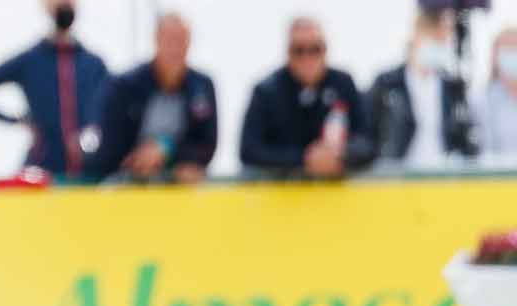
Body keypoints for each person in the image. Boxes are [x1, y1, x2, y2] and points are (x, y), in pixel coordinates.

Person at [0, 0, 111, 178]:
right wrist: (17, 120)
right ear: (45, 5)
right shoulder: (30, 60)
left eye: (68, 0)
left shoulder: (94, 63)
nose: (63, 6)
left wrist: (95, 130)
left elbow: (113, 105)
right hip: (43, 166)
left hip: (87, 168)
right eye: (57, 0)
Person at [87, 12, 217, 182]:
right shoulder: (125, 86)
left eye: (182, 40)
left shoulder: (202, 86)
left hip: (183, 183)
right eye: (170, 40)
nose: (176, 49)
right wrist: (140, 158)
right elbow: (108, 148)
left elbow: (207, 144)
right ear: (156, 41)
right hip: (128, 180)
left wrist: (167, 149)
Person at [239, 16, 375, 178]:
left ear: (325, 50)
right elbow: (249, 150)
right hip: (283, 196)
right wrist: (304, 158)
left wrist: (340, 155)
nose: (307, 58)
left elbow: (368, 141)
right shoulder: (266, 91)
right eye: (298, 50)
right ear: (288, 53)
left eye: (315, 49)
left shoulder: (343, 84)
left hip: (339, 197)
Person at [369, 10, 476, 166]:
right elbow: (371, 133)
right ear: (416, 37)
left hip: (443, 179)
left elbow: (466, 138)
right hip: (398, 179)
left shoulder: (453, 87)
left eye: (444, 41)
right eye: (434, 39)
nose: (440, 46)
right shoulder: (387, 84)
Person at [477, 26, 517, 157]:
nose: (512, 54)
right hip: (494, 175)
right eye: (507, 49)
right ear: (494, 56)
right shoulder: (479, 100)